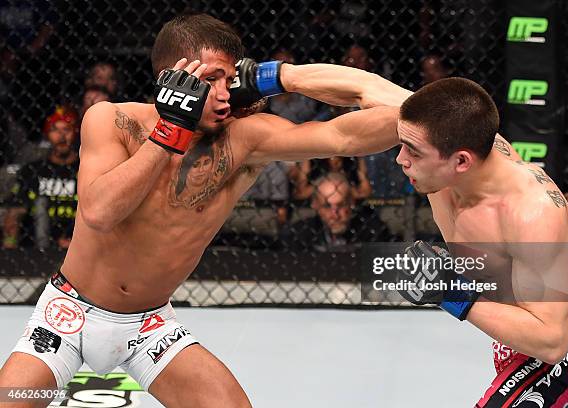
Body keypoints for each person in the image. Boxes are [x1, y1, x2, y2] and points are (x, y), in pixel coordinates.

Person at [0, 12, 406, 408]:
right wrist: (169, 132)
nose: (226, 93)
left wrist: (285, 76)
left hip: (150, 328)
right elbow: (99, 211)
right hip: (68, 317)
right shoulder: (112, 119)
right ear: (171, 79)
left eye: (231, 79)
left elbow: (347, 135)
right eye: (212, 79)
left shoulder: (243, 139)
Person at [360, 75, 568, 406]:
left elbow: (552, 342)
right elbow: (361, 87)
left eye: (414, 152)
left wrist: (453, 292)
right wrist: (277, 77)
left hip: (564, 351)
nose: (400, 159)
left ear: (461, 161)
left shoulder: (532, 215)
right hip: (517, 341)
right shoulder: (441, 131)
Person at [2, 106, 79, 250]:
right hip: (38, 241)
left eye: (66, 129)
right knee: (40, 203)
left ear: (74, 133)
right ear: (47, 134)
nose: (61, 136)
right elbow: (16, 210)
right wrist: (9, 243)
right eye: (55, 130)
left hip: (79, 238)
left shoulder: (85, 169)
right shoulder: (32, 171)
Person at [284, 172, 392, 252]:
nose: (335, 215)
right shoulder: (300, 234)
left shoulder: (374, 232)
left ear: (351, 202)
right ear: (315, 205)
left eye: (341, 205)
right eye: (327, 206)